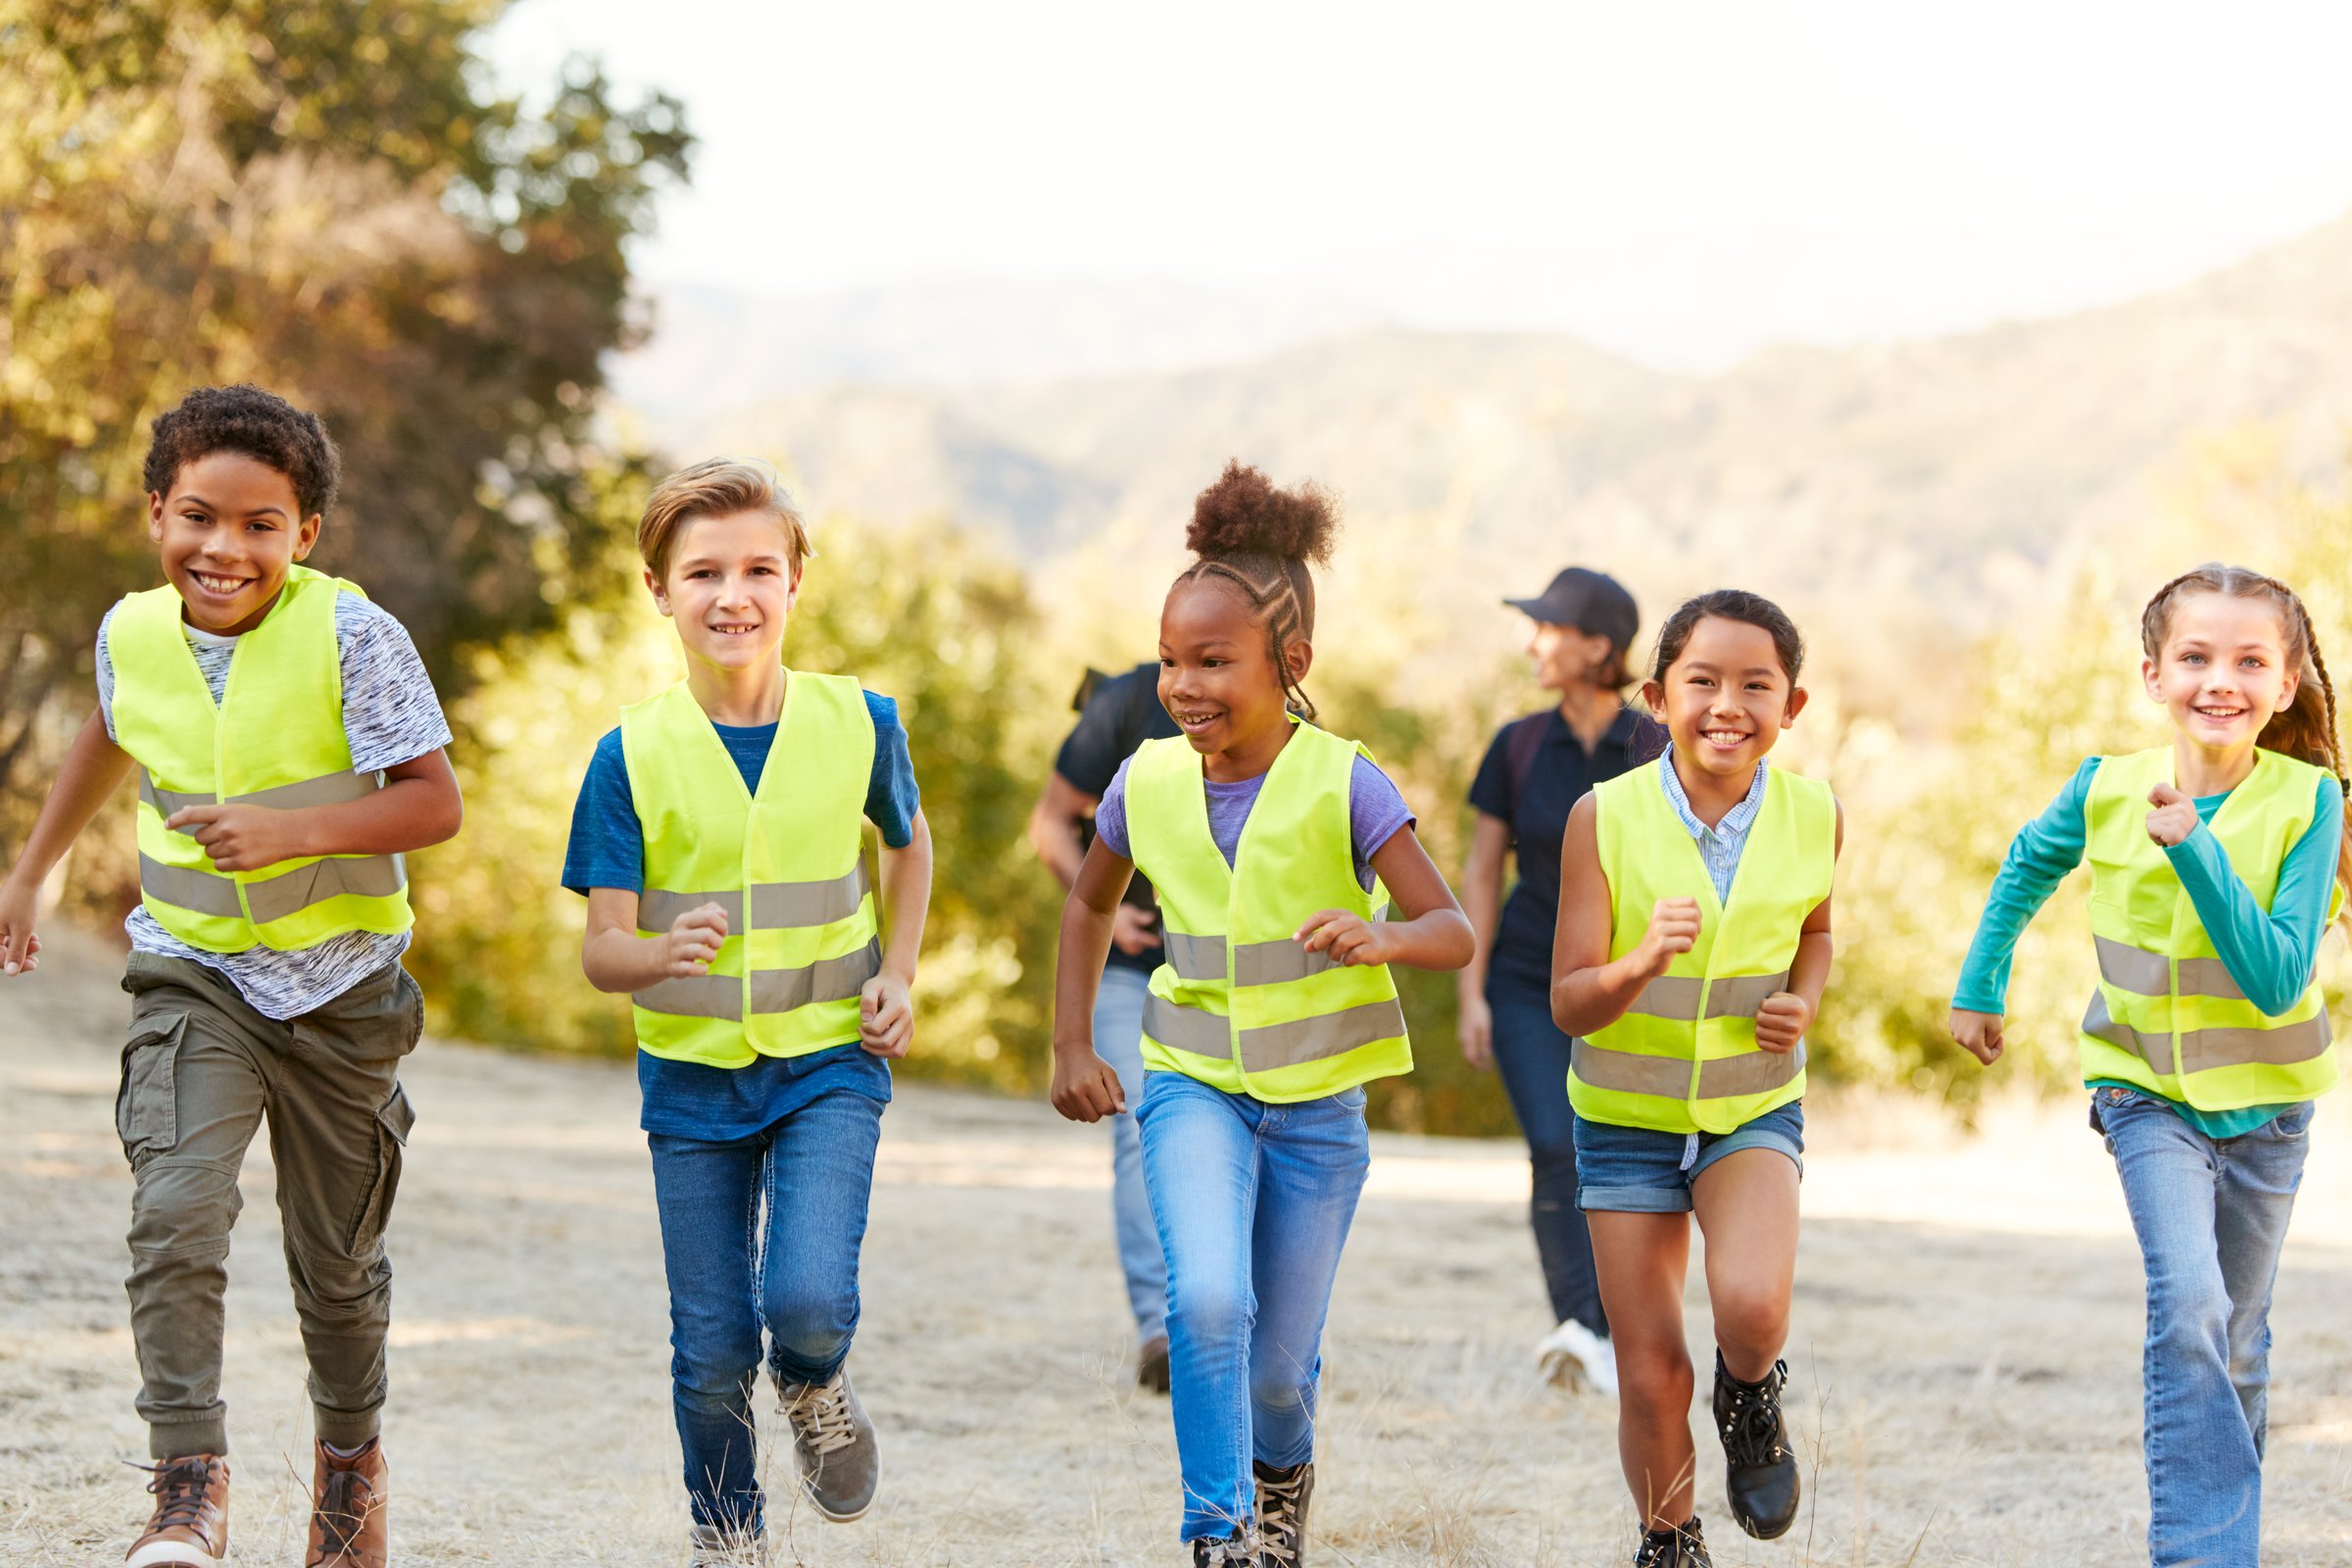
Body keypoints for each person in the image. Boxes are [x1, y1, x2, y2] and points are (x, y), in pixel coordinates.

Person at [0, 384, 465, 1568]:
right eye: (199, 517)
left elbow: (432, 801)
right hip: (194, 974)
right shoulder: (130, 635)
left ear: (304, 534)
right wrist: (34, 869)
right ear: (157, 512)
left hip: (344, 994)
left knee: (338, 1263)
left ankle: (349, 1479)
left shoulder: (356, 637)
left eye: (261, 525)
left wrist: (291, 831)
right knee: (174, 1207)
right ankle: (186, 1488)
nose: (225, 547)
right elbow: (109, 728)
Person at [1049, 461, 1473, 1567]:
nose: (1183, 683)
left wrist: (1382, 933)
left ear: (1292, 666)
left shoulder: (1348, 783)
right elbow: (1089, 904)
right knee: (1206, 1304)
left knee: (1281, 1370)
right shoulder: (1143, 781)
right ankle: (1216, 1529)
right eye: (1171, 659)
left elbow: (1453, 928)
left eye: (1212, 661)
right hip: (1189, 1087)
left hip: (1318, 1116)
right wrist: (1069, 1045)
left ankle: (1283, 1480)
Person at [564, 459, 932, 1567]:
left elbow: (907, 849)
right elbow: (601, 950)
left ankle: (815, 1379)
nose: (734, 594)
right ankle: (729, 1538)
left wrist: (900, 972)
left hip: (828, 1062)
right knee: (713, 1345)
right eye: (704, 573)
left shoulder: (859, 721)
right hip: (691, 1082)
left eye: (759, 568)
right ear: (658, 591)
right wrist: (654, 952)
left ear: (796, 579)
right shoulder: (628, 755)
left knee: (808, 1301)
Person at [1949, 564, 2347, 1568]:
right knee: (2192, 1305)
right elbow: (2025, 862)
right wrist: (1981, 982)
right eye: (2197, 656)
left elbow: (2274, 975)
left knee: (2240, 1338)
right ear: (2151, 674)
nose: (2223, 679)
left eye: (2252, 660)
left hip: (2269, 1110)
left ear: (2288, 683)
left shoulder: (2313, 802)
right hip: (2142, 1093)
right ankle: (2201, 1556)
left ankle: (2228, 1539)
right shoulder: (2107, 784)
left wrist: (2192, 848)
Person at [1551, 589, 1838, 1568]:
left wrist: (1804, 997)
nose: (1729, 703)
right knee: (1649, 1372)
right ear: (1656, 695)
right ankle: (1670, 1542)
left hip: (1751, 1103)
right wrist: (1636, 965)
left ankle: (1751, 1396)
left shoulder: (1816, 813)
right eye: (1703, 680)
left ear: (1792, 705)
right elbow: (1570, 1000)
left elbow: (1818, 934)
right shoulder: (1605, 816)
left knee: (1752, 1306)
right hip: (1625, 1115)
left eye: (1757, 684)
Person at [1460, 566, 1662, 1394]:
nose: (1532, 641)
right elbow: (1477, 871)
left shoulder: (1655, 744)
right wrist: (1470, 991)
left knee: (1620, 1156)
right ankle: (1581, 1328)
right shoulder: (1516, 745)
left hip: (1628, 988)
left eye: (1547, 627)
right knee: (1553, 1145)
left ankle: (1617, 1329)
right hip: (1522, 981)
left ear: (1598, 648)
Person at [1029, 663, 1179, 1391]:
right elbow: (1051, 821)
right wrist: (1106, 910)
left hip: (1230, 977)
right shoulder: (1123, 703)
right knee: (1139, 1122)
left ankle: (1227, 1317)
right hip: (1131, 966)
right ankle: (1161, 1331)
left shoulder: (1288, 718)